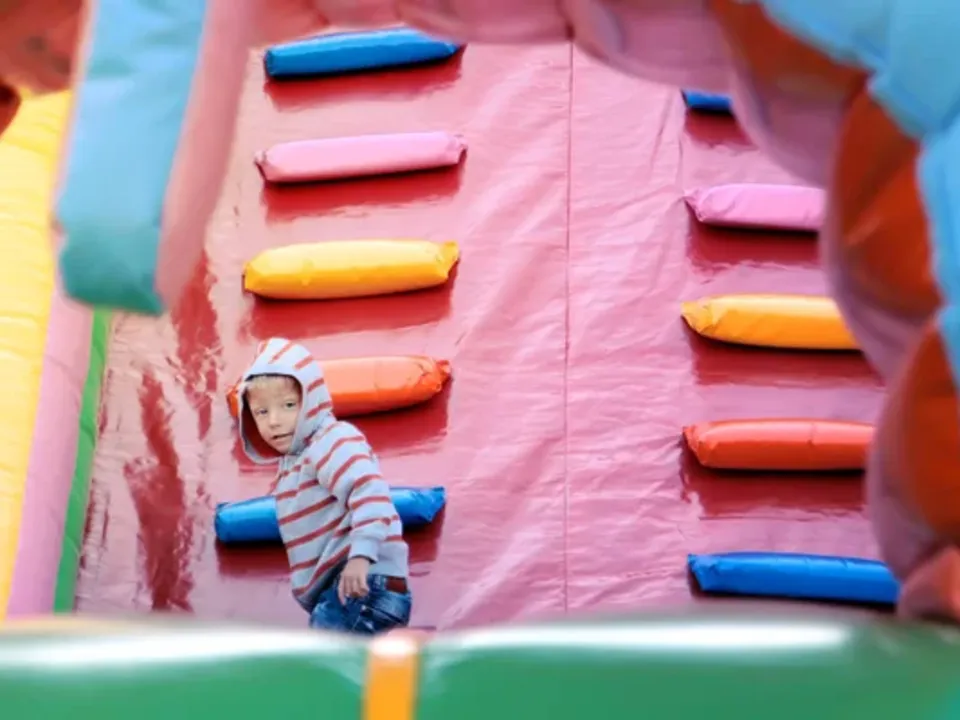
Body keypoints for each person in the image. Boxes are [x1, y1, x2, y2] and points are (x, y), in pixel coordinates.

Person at [236, 337, 411, 634]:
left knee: (324, 659)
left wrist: (361, 555)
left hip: (365, 584)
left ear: (312, 401)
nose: (274, 421)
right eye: (261, 412)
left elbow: (370, 492)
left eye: (288, 405)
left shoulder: (331, 440)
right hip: (349, 591)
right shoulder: (295, 461)